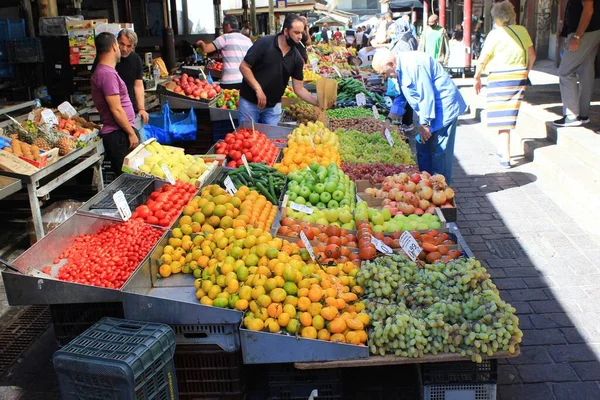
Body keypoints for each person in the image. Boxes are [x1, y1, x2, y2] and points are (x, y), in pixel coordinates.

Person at [373, 48, 467, 184]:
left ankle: (442, 190)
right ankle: (425, 184)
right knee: (422, 145)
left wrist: (425, 124)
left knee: (440, 151)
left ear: (390, 64)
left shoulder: (413, 65)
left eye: (384, 73)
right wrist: (388, 120)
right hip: (429, 110)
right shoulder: (399, 69)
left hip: (443, 108)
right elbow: (401, 97)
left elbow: (426, 95)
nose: (385, 77)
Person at [474, 1, 535, 169]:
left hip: (499, 78)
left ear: (497, 18)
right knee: (507, 116)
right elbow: (532, 56)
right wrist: (525, 73)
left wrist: (477, 78)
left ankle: (505, 155)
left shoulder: (495, 34)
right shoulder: (522, 30)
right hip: (518, 76)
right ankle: (503, 151)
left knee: (501, 119)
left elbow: (482, 60)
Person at [238, 14, 319, 125]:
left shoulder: (297, 58)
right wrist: (258, 89)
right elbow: (244, 66)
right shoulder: (264, 43)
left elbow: (299, 89)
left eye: (302, 33)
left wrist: (318, 102)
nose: (300, 36)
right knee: (247, 138)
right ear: (286, 31)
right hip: (250, 103)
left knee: (273, 140)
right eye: (296, 32)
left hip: (273, 106)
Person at [91, 33, 139, 177]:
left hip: (120, 134)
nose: (121, 49)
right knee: (130, 182)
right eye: (119, 45)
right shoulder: (107, 74)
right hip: (119, 135)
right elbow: (116, 109)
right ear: (113, 46)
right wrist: (131, 133)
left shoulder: (106, 72)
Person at [553, 0, 600, 127]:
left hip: (584, 32)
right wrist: (564, 32)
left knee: (565, 71)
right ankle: (583, 115)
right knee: (586, 72)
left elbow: (588, 10)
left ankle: (572, 115)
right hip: (589, 31)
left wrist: (577, 37)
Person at [196, 15, 252, 90]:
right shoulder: (248, 40)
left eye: (223, 27)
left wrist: (200, 43)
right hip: (245, 80)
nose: (223, 29)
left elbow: (206, 49)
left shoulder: (225, 37)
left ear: (228, 26)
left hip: (229, 82)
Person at [389, 17, 419, 132]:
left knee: (407, 96)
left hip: (446, 109)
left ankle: (408, 122)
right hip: (408, 72)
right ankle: (408, 121)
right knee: (405, 95)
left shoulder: (405, 40)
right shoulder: (410, 36)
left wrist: (425, 124)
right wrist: (389, 118)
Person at [114, 29, 148, 125]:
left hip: (131, 109)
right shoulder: (108, 58)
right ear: (116, 42)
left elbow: (138, 85)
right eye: (122, 44)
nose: (124, 48)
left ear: (133, 46)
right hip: (113, 109)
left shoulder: (136, 59)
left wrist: (141, 108)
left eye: (129, 46)